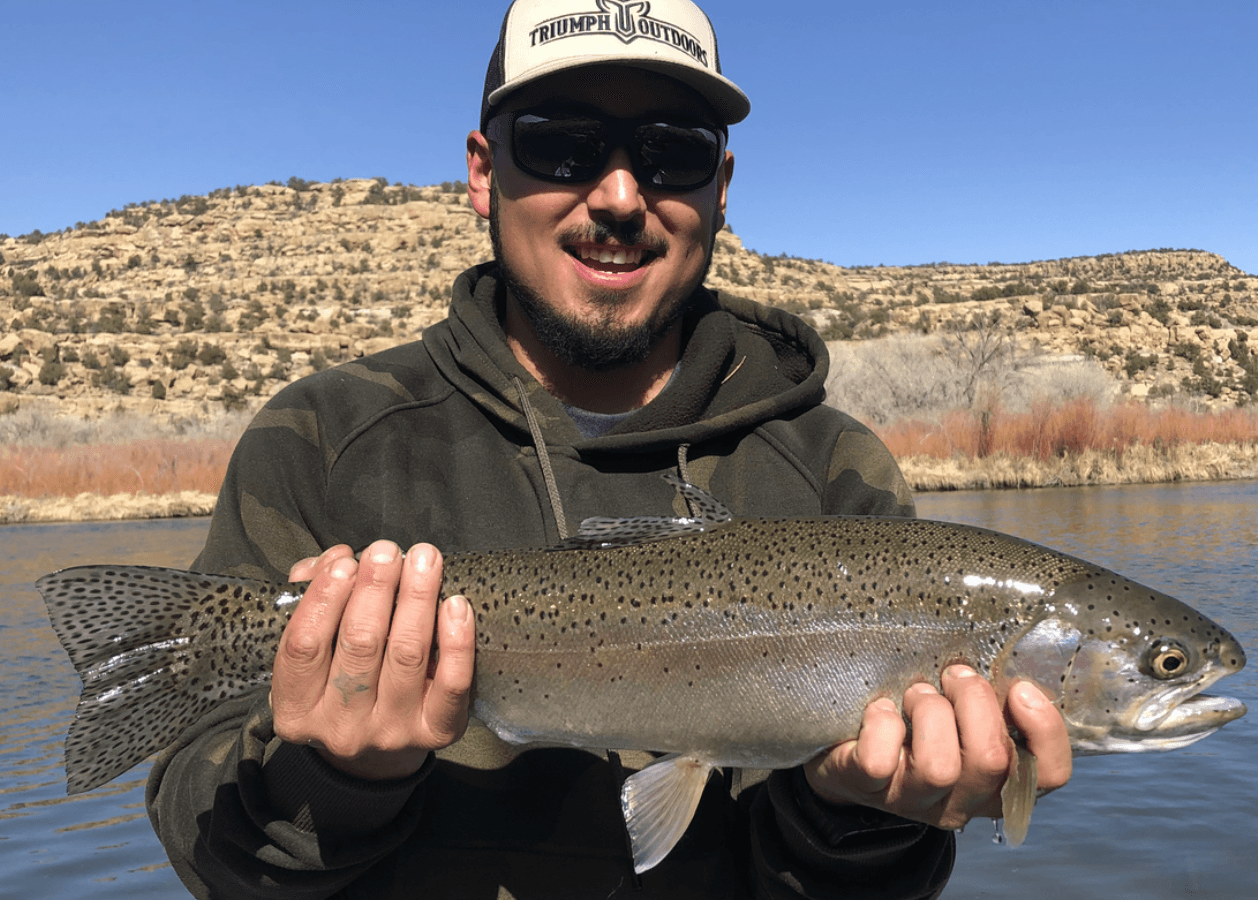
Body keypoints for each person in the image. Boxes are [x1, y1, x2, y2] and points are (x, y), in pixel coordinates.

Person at [145, 1, 1072, 897]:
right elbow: (210, 853)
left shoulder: (832, 470)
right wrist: (334, 778)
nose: (621, 196)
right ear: (481, 172)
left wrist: (856, 813)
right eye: (560, 143)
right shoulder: (325, 440)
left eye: (673, 152)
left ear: (720, 186)